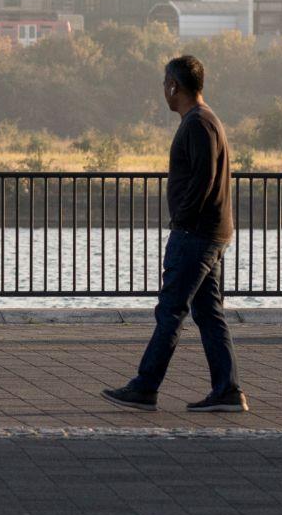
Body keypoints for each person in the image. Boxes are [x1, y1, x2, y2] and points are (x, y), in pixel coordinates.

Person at [105, 54, 245, 413]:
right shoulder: (206, 119)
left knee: (170, 311)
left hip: (195, 234)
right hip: (212, 232)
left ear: (174, 86)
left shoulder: (197, 124)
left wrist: (181, 220)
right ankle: (227, 390)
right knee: (208, 312)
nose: (163, 91)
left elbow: (202, 180)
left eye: (164, 84)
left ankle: (145, 386)